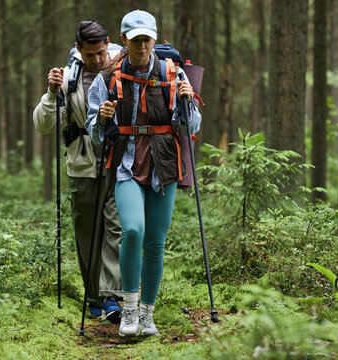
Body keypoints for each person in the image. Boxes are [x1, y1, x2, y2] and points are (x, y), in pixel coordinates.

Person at [85, 10, 202, 336]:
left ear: (153, 38)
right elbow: (94, 133)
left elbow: (190, 128)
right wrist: (103, 119)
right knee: (133, 230)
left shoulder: (174, 74)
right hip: (125, 162)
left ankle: (148, 315)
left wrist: (185, 101)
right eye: (135, 40)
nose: (141, 46)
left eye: (146, 39)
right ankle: (129, 311)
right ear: (124, 40)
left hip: (163, 165)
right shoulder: (107, 77)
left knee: (155, 242)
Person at [33, 21, 123, 322]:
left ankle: (113, 298)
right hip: (82, 165)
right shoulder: (69, 78)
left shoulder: (122, 71)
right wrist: (51, 93)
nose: (96, 61)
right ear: (78, 50)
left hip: (119, 163)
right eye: (89, 55)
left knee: (116, 229)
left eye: (100, 53)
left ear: (108, 44)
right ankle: (94, 295)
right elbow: (43, 125)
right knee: (87, 236)